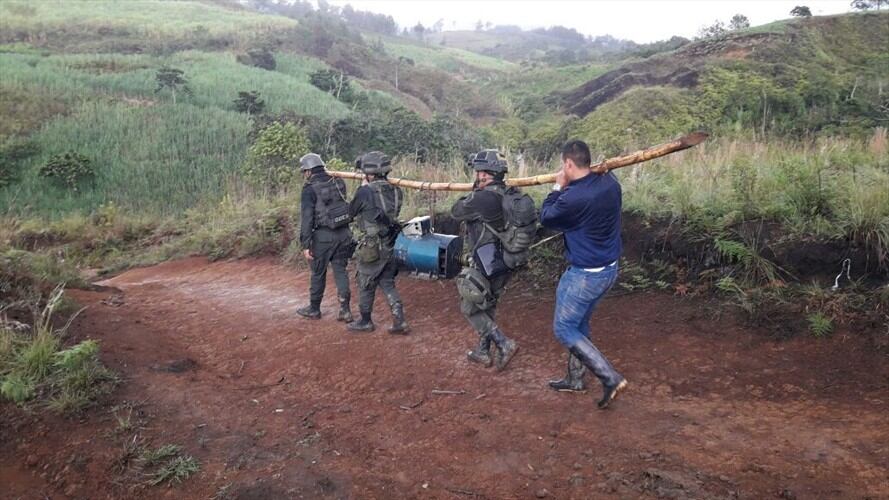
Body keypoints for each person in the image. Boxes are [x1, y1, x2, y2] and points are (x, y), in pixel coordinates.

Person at [539, 140, 628, 409]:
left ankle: (609, 377)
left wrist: (557, 186)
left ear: (568, 164)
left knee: (564, 328)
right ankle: (576, 379)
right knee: (579, 325)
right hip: (608, 270)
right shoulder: (610, 184)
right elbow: (605, 174)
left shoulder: (573, 198)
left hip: (585, 275)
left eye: (563, 165)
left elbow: (546, 217)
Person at [451, 149, 519, 371]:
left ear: (485, 174)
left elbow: (456, 211)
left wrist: (472, 191)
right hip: (506, 258)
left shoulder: (481, 198)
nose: (476, 175)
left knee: (469, 306)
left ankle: (503, 343)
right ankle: (482, 350)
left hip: (485, 259)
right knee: (488, 302)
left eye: (478, 171)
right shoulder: (510, 194)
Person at [346, 151, 410, 334]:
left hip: (372, 246)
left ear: (370, 173)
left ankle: (365, 320)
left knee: (366, 281)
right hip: (391, 243)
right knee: (387, 282)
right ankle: (399, 320)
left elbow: (351, 212)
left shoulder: (365, 191)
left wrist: (361, 189)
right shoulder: (397, 190)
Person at [295, 153, 354, 322]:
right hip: (344, 235)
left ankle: (314, 309)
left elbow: (307, 218)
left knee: (318, 273)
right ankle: (345, 310)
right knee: (340, 271)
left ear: (308, 171)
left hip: (323, 237)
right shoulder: (339, 182)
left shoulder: (308, 189)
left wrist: (305, 245)